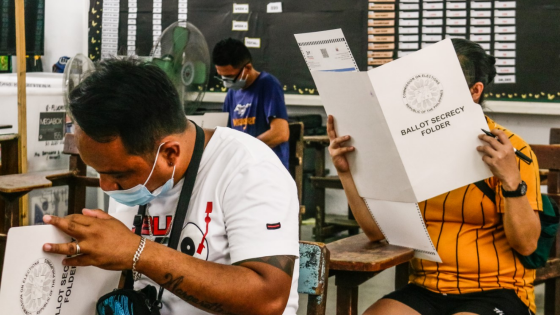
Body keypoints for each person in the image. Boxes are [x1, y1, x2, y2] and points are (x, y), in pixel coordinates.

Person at [41, 58, 300, 315]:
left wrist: (137, 251)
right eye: (100, 173)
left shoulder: (249, 169)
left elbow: (269, 300)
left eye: (118, 174)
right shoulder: (132, 170)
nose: (107, 186)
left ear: (170, 153)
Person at [328, 38, 542, 315]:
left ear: (474, 91)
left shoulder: (510, 151)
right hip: (425, 289)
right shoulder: (407, 148)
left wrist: (511, 182)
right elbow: (376, 232)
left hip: (497, 290)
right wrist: (347, 174)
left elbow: (527, 245)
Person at [213, 38, 290, 169]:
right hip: (244, 168)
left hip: (269, 169)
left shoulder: (268, 85)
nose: (227, 83)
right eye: (223, 77)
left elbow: (280, 133)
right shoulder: (232, 94)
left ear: (247, 68)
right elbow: (226, 134)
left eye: (231, 77)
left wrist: (244, 150)